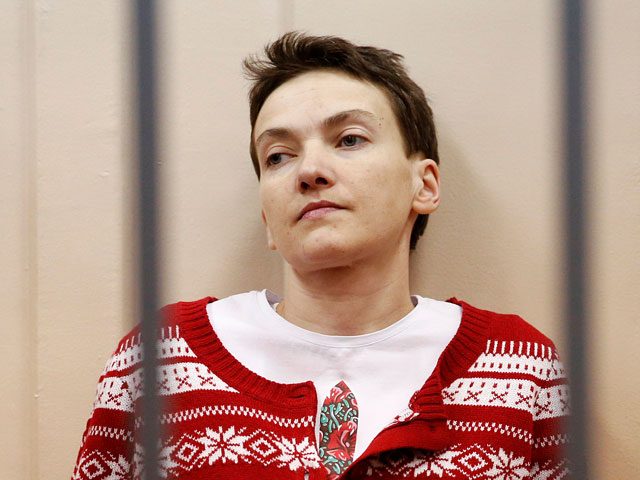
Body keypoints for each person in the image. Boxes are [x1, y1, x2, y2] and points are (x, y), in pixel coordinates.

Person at [71, 32, 569, 480]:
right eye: (278, 156)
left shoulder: (521, 369)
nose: (309, 170)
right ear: (267, 217)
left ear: (425, 185)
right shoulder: (163, 359)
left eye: (349, 139)